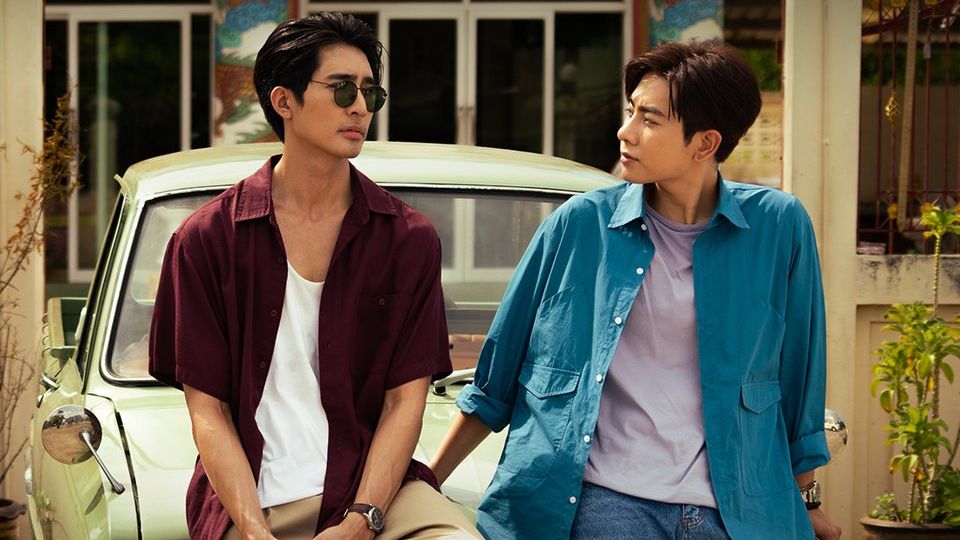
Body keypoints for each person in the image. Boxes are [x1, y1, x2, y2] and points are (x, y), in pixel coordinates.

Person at [429, 41, 843, 540]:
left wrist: (806, 501)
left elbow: (798, 379)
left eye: (649, 119)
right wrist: (424, 483)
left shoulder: (779, 227)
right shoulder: (580, 225)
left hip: (737, 508)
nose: (625, 132)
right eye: (631, 112)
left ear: (705, 143)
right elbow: (496, 379)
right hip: (607, 501)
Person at [149, 13, 480, 540]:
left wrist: (361, 521)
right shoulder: (207, 240)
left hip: (378, 495)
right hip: (255, 501)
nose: (359, 107)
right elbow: (208, 411)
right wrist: (253, 531)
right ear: (284, 101)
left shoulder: (408, 239)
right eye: (342, 88)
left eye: (370, 93)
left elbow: (404, 402)